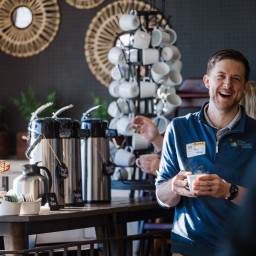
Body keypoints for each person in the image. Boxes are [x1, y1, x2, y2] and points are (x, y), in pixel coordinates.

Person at [155, 49, 256, 256]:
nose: (227, 84)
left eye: (235, 79)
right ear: (207, 81)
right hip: (187, 246)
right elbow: (161, 196)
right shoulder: (179, 128)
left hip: (240, 248)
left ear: (244, 88)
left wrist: (229, 190)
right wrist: (173, 186)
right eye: (221, 76)